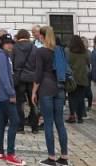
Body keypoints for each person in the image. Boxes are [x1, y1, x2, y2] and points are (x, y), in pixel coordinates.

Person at [32, 26, 69, 166]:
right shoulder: (60, 50)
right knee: (60, 122)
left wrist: (34, 91)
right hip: (60, 88)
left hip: (46, 88)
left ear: (41, 36)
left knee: (48, 122)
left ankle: (51, 157)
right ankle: (64, 157)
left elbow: (38, 73)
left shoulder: (41, 51)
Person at [0, 34, 26, 166]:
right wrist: (12, 93)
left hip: (1, 93)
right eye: (7, 43)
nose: (10, 45)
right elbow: (5, 78)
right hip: (5, 94)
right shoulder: (1, 56)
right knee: (15, 121)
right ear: (2, 44)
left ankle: (0, 152)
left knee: (2, 122)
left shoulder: (2, 55)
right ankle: (11, 155)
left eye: (11, 43)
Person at [13, 29, 39, 133]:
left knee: (19, 103)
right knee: (33, 102)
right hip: (32, 78)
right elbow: (38, 64)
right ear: (28, 36)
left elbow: (12, 63)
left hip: (19, 78)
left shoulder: (14, 47)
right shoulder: (34, 47)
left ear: (18, 36)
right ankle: (34, 127)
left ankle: (20, 126)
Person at [66, 35, 90, 124]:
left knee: (72, 97)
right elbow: (88, 63)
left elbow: (66, 63)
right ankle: (80, 117)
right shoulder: (85, 52)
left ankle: (72, 115)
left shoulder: (68, 51)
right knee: (81, 98)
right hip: (82, 77)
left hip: (72, 78)